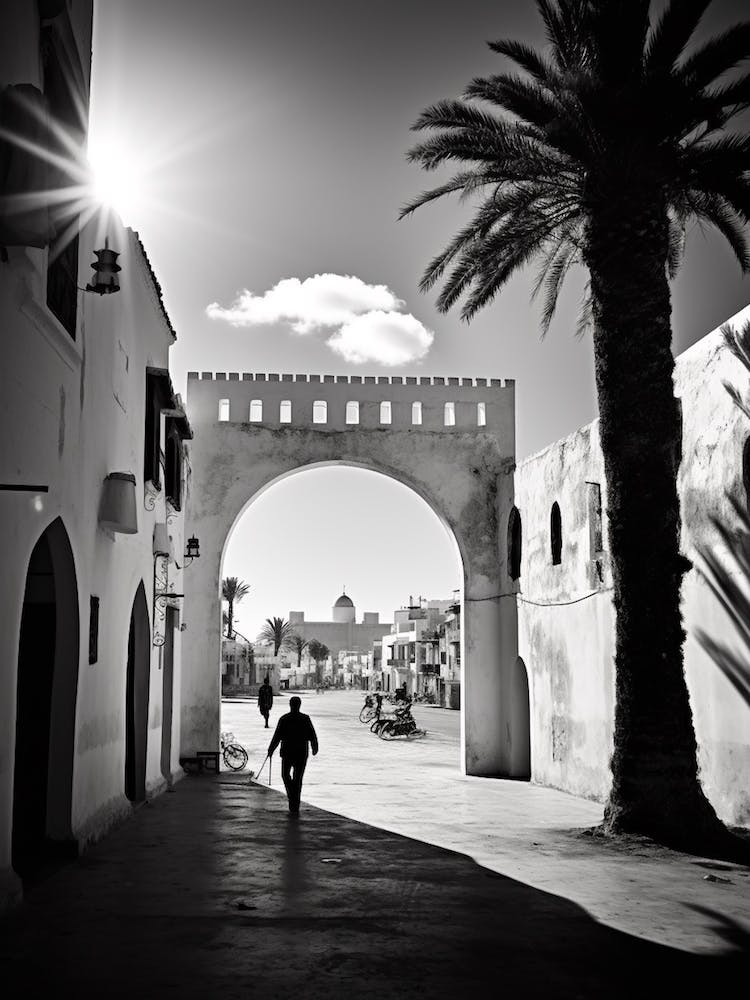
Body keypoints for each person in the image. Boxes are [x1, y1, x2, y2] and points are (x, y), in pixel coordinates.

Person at [268, 696, 318, 814]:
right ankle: (294, 799)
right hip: (301, 752)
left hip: (288, 752)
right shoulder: (304, 719)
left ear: (290, 705)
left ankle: (293, 799)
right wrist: (315, 747)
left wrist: (271, 749)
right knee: (297, 779)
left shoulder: (285, 719)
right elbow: (312, 735)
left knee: (286, 775)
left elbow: (277, 736)